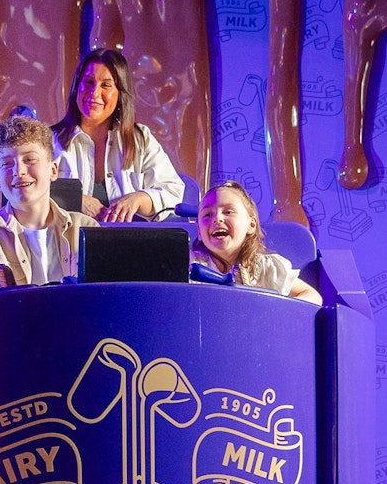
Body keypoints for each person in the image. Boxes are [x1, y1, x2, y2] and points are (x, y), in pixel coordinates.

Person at [51, 48, 185, 222]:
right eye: (88, 82)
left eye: (106, 85)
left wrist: (138, 199)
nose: (94, 93)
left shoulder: (140, 139)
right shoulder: (49, 140)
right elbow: (25, 190)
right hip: (67, 245)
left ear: (120, 94)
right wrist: (76, 200)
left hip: (130, 245)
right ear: (77, 87)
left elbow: (173, 191)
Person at [0, 115, 98, 285]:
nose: (18, 171)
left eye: (29, 160)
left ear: (53, 170)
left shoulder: (87, 228)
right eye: (7, 164)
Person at [191, 181, 322, 305]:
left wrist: (278, 310)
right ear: (199, 232)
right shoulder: (189, 264)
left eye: (228, 212)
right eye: (207, 215)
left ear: (251, 224)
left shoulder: (266, 268)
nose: (217, 218)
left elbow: (312, 296)